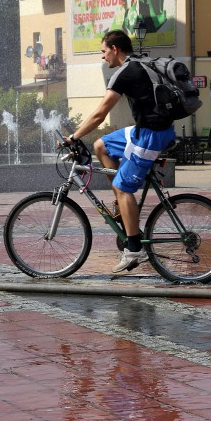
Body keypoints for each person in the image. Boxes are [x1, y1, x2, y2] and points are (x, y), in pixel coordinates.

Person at [64, 30, 176, 273]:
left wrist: (74, 136)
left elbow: (99, 114)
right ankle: (122, 207)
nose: (103, 57)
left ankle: (135, 247)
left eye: (104, 51)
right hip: (146, 130)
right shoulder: (139, 63)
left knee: (125, 187)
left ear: (115, 49)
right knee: (101, 146)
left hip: (151, 135)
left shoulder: (124, 73)